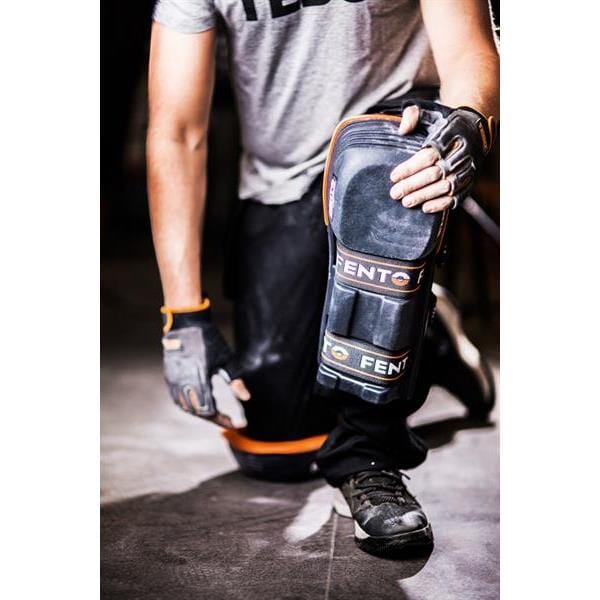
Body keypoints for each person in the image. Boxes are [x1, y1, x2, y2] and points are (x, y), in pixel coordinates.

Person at [147, 0, 499, 556]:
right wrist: (183, 316)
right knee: (277, 447)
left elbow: (470, 51)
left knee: (378, 165)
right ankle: (430, 332)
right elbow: (177, 131)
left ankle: (369, 455)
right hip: (283, 182)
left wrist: (469, 123)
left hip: (398, 142)